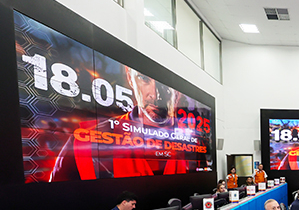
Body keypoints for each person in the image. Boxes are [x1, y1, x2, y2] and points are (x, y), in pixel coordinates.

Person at [50, 66, 211, 181]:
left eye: (165, 86)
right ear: (130, 78)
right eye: (144, 79)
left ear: (178, 92)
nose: (155, 95)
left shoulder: (195, 143)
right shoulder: (85, 139)